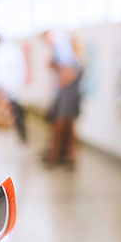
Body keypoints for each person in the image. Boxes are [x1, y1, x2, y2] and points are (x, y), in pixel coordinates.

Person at [42, 30, 83, 166]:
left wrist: (61, 76)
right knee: (63, 124)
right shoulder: (63, 56)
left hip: (68, 95)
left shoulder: (71, 57)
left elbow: (66, 78)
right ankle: (63, 154)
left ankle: (60, 154)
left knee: (63, 124)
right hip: (65, 94)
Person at [0, 35, 27, 143]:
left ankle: (23, 138)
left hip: (8, 90)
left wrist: (7, 89)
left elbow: (19, 71)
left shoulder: (13, 52)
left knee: (18, 116)